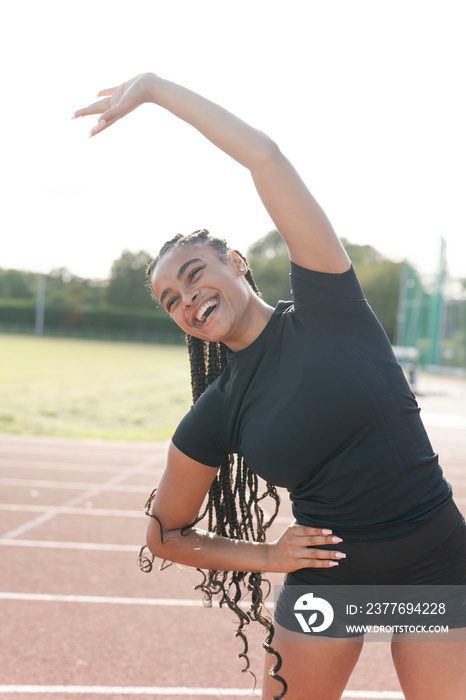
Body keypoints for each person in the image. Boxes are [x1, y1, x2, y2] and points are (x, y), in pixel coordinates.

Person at [74, 72, 466, 700]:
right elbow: (165, 535)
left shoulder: (329, 302)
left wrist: (152, 88)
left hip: (436, 567)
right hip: (331, 585)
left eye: (194, 274)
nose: (187, 299)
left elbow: (265, 157)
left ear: (235, 263)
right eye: (171, 299)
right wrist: (269, 557)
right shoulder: (217, 412)